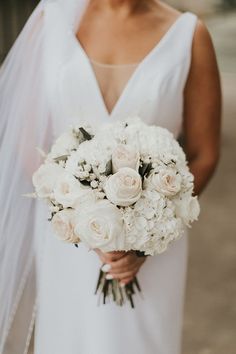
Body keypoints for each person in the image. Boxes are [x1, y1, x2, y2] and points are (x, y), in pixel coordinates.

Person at [0, 0, 221, 353]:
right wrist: (79, 214)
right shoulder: (48, 22)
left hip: (153, 244)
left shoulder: (188, 35)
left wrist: (142, 238)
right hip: (67, 238)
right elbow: (30, 144)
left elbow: (204, 153)